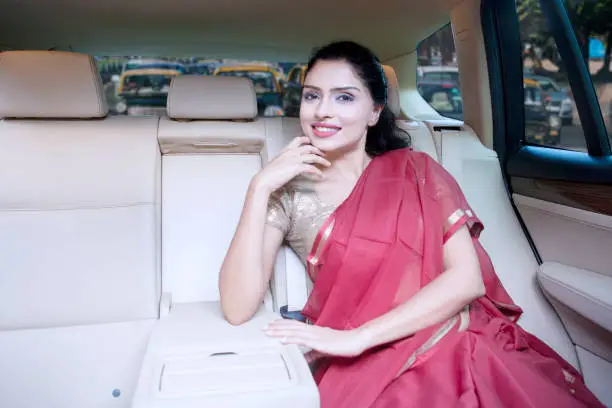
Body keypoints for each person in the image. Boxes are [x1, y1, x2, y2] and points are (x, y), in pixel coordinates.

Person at [218, 41, 604, 408]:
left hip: (450, 338)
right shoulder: (287, 195)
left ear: (374, 111)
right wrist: (259, 187)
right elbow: (237, 308)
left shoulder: (417, 172)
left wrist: (357, 338)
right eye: (312, 95)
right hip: (367, 365)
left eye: (344, 97)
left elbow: (466, 281)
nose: (322, 111)